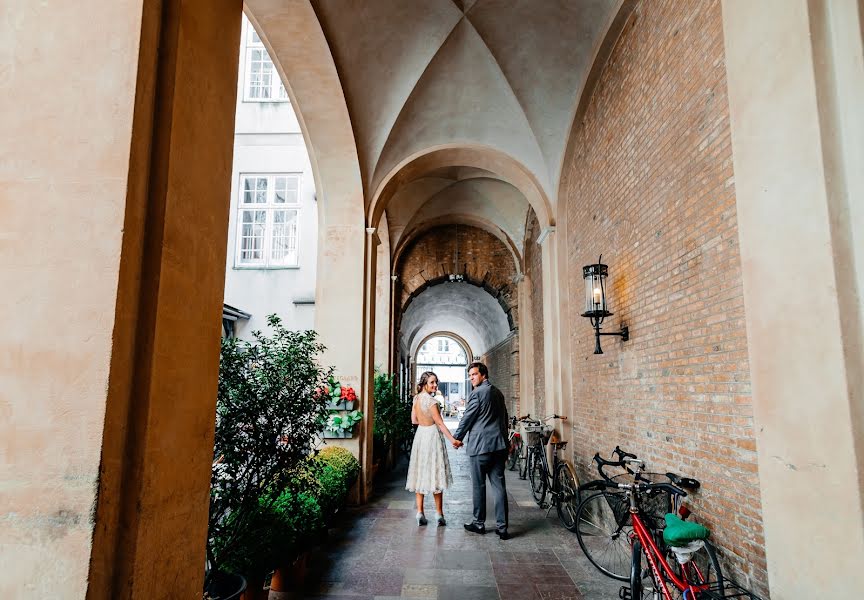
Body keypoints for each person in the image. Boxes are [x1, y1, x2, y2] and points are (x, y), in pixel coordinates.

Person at [453, 362, 511, 539]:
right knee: (499, 486)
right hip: (498, 446)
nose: (471, 378)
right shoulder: (498, 393)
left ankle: (479, 523)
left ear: (484, 375)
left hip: (480, 447)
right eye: (470, 375)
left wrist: (457, 437)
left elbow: (467, 418)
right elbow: (504, 418)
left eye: (474, 374)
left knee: (479, 486)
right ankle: (502, 528)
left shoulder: (477, 394)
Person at [405, 371, 459, 526]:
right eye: (432, 382)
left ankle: (420, 512)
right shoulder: (432, 401)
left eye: (436, 382)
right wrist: (452, 440)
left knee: (420, 472)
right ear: (424, 384)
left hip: (421, 435)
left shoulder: (416, 399)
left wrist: (424, 420)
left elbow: (414, 420)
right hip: (432, 436)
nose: (435, 385)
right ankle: (439, 514)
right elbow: (441, 424)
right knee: (436, 472)